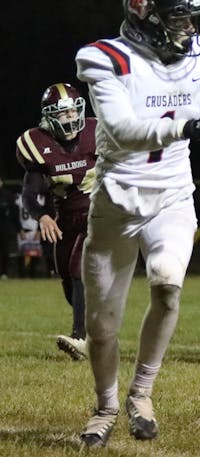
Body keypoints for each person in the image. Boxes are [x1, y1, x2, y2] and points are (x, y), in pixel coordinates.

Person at [72, 0, 200, 447]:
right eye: (179, 21)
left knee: (168, 285)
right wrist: (187, 127)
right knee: (101, 324)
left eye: (193, 21)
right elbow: (122, 129)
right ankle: (106, 404)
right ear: (147, 18)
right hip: (116, 199)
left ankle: (142, 393)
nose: (190, 32)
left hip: (171, 196)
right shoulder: (106, 58)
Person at [16, 82, 97, 360]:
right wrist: (43, 215)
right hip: (64, 218)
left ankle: (81, 337)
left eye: (74, 112)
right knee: (67, 278)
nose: (71, 119)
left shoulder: (95, 132)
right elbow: (30, 192)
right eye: (63, 114)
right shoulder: (38, 143)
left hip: (97, 212)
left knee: (78, 268)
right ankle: (93, 327)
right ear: (49, 116)